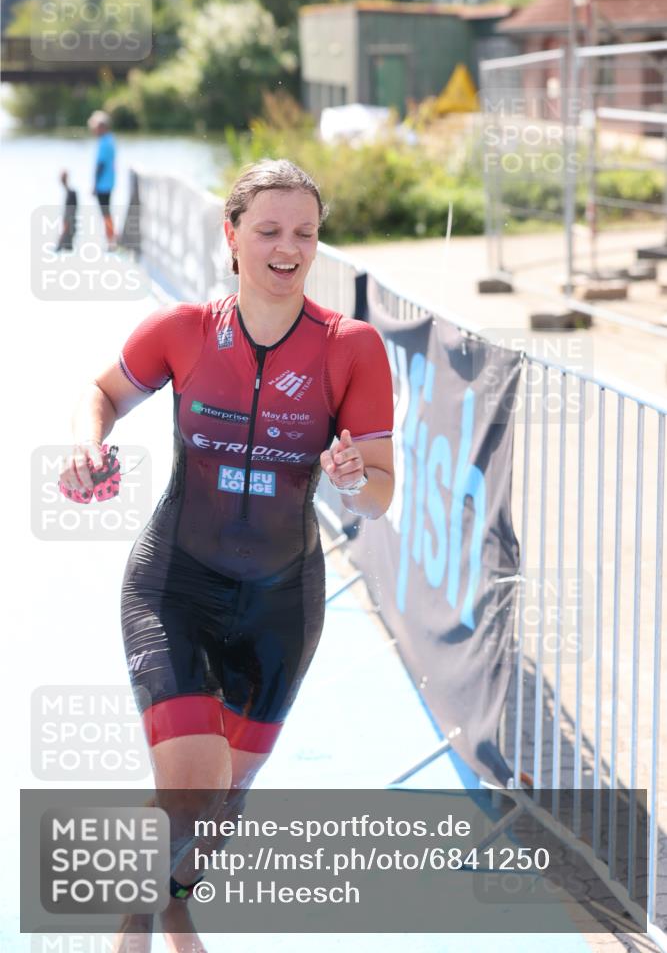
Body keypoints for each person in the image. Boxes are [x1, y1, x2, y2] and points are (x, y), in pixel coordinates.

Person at [59, 159, 395, 953]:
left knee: (223, 803)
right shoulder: (181, 330)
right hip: (175, 583)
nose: (288, 248)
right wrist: (86, 445)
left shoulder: (352, 347)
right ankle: (130, 922)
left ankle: (175, 903)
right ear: (232, 236)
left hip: (281, 604)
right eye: (270, 231)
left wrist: (352, 481)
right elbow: (100, 392)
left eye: (305, 234)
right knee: (189, 786)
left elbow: (380, 494)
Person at [87, 109, 117, 250]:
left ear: (102, 127)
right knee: (106, 212)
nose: (94, 131)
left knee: (105, 212)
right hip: (109, 182)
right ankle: (111, 237)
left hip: (103, 184)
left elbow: (100, 165)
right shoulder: (110, 139)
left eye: (96, 128)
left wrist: (94, 184)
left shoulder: (104, 142)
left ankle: (111, 239)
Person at [55, 170, 77, 251]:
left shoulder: (71, 193)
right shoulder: (70, 192)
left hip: (69, 223)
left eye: (62, 178)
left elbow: (71, 212)